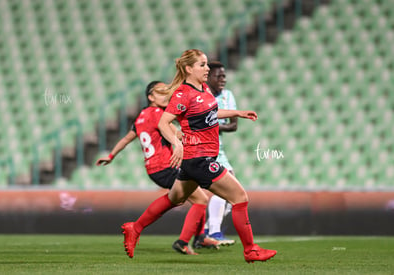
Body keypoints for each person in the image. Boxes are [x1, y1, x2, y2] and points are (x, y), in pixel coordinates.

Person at [121, 49, 277, 263]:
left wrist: (237, 113)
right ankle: (250, 249)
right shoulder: (182, 94)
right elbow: (163, 123)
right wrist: (176, 143)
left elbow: (211, 112)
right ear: (188, 69)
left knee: (173, 198)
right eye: (202, 65)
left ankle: (135, 227)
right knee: (240, 198)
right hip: (199, 159)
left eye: (206, 65)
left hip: (195, 160)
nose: (207, 69)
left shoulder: (203, 88)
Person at [96, 81, 219, 256]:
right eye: (161, 92)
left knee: (194, 197)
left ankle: (199, 238)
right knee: (200, 199)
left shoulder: (140, 117)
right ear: (150, 97)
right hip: (167, 165)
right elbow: (175, 133)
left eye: (167, 91)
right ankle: (183, 242)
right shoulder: (158, 114)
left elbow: (126, 139)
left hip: (154, 170)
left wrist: (110, 156)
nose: (166, 95)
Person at [203, 61, 237, 246]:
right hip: (204, 148)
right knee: (226, 189)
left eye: (224, 76)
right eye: (219, 76)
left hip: (219, 148)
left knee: (232, 195)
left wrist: (215, 126)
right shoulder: (202, 96)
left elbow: (234, 125)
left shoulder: (228, 95)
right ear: (208, 77)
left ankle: (208, 230)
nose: (223, 79)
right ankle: (213, 231)